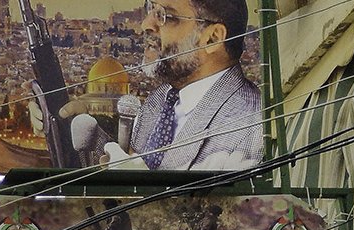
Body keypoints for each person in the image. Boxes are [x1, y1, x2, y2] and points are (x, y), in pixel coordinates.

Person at [78, 0, 263, 173]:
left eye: (166, 16)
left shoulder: (251, 127)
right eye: (150, 8)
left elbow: (220, 204)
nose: (146, 24)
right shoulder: (159, 101)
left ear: (212, 38)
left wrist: (141, 184)